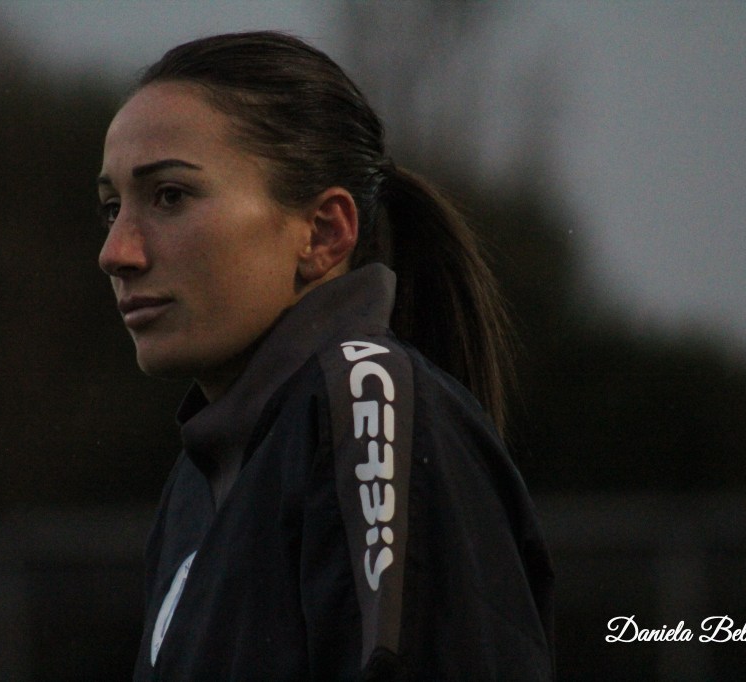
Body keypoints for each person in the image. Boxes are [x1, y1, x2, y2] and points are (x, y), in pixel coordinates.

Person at [97, 31, 554, 681]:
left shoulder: (365, 402)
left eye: (170, 196)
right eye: (111, 208)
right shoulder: (198, 483)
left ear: (323, 232)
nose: (116, 252)